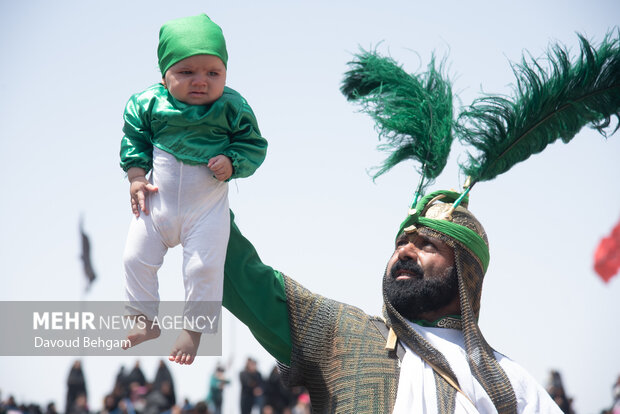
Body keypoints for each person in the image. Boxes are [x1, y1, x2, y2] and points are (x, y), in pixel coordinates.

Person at [221, 190, 563, 413]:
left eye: (427, 244)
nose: (405, 250)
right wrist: (197, 195)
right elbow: (242, 278)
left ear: (465, 274)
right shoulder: (344, 334)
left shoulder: (511, 383)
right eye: (401, 241)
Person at [119, 13, 268, 365]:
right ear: (164, 75)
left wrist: (232, 162)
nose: (200, 81)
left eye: (212, 73)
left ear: (225, 74)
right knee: (133, 257)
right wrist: (136, 177)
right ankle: (144, 320)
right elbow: (134, 139)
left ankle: (193, 330)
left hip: (206, 212)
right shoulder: (149, 103)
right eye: (187, 72)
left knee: (203, 268)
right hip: (157, 206)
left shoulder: (231, 107)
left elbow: (253, 146)